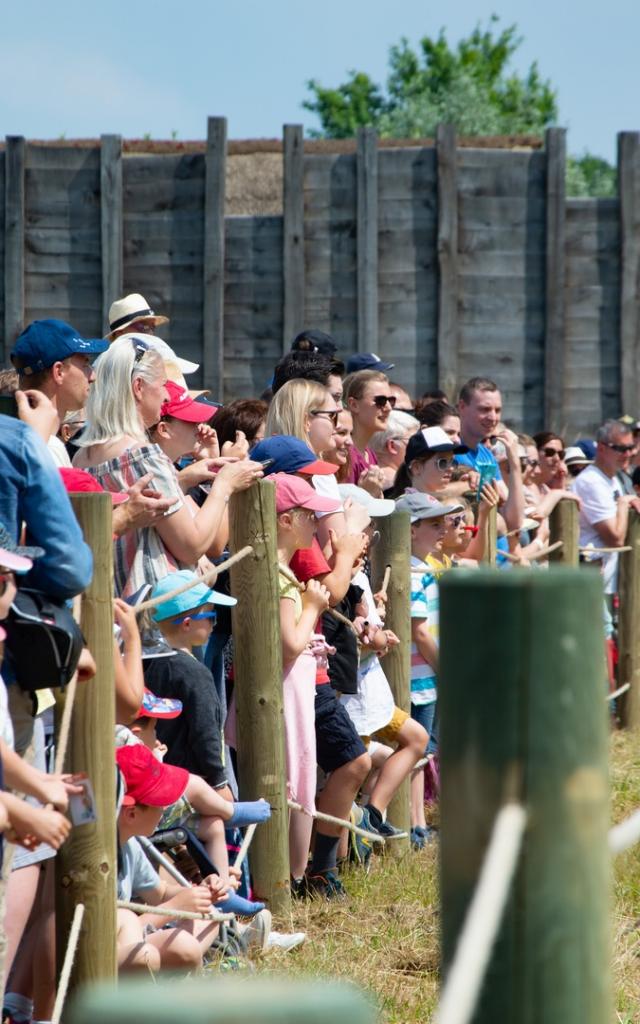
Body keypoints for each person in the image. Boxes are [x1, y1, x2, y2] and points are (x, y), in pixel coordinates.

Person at [73, 336, 262, 600]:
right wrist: (224, 485)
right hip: (153, 618)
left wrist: (185, 479)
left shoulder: (81, 458)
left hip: (107, 610)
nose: (165, 395)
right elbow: (192, 545)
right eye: (162, 385)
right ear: (138, 387)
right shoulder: (143, 456)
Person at [271, 474, 334, 890]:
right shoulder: (279, 576)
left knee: (301, 771)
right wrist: (311, 608)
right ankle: (292, 878)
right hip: (285, 691)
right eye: (308, 515)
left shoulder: (281, 569)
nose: (316, 524)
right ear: (285, 520)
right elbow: (288, 643)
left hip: (293, 685)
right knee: (297, 775)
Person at [115, 744, 226, 973]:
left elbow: (160, 892)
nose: (165, 808)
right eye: (159, 802)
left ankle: (178, 974)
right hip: (104, 955)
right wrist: (175, 907)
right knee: (162, 950)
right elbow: (120, 928)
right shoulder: (96, 858)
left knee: (210, 917)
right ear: (132, 814)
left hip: (132, 941)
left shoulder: (129, 844)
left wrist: (199, 893)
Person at [395, 491, 458, 846]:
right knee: (414, 750)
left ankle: (417, 822)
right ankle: (411, 824)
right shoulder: (415, 573)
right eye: (435, 524)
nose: (443, 529)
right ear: (411, 530)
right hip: (417, 676)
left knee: (422, 751)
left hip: (426, 677)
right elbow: (420, 632)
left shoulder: (425, 568)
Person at [145, 570, 237, 794]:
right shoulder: (195, 673)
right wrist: (219, 782)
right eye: (210, 617)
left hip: (159, 778)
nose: (214, 624)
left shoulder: (146, 665)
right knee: (214, 830)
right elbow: (205, 732)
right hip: (194, 784)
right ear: (187, 624)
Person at [10, 318, 109, 467]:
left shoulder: (13, 442)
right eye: (85, 364)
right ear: (59, 372)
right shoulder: (48, 449)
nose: (93, 376)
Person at [573, 419, 640, 597]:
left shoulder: (612, 478)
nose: (627, 454)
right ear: (602, 448)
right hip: (591, 583)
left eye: (630, 448)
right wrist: (624, 503)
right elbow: (615, 539)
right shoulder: (591, 482)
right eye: (620, 449)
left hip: (608, 583)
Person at [342, 369, 395, 490]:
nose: (389, 408)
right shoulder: (345, 455)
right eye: (380, 401)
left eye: (391, 401)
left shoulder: (369, 454)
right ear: (354, 405)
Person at [389, 426, 468, 499]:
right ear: (416, 467)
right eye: (442, 462)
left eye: (453, 462)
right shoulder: (410, 504)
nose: (450, 468)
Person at [370, 410, 420, 490]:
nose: (419, 445)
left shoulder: (370, 478)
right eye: (414, 440)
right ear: (392, 446)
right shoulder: (395, 482)